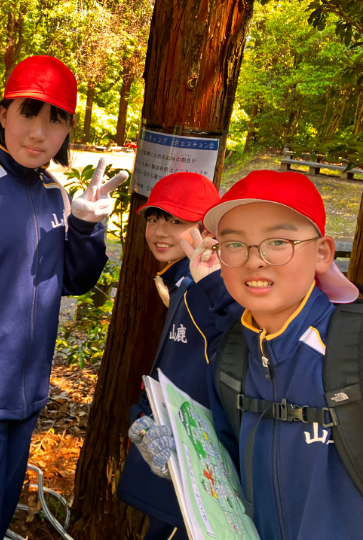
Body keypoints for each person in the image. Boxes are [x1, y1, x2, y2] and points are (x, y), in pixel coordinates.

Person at [135, 170, 363, 540]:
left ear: (322, 253)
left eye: (278, 241)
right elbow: (231, 477)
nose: (255, 260)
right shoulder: (233, 356)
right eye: (234, 244)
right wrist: (186, 462)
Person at [0, 55, 126, 539]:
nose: (39, 132)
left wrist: (86, 225)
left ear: (68, 129)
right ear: (3, 113)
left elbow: (73, 281)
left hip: (24, 402)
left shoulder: (53, 193)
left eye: (55, 119)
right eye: (28, 112)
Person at [117, 172, 223, 539]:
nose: (160, 232)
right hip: (169, 448)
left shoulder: (205, 290)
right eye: (154, 218)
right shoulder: (179, 280)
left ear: (208, 231)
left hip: (197, 464)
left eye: (177, 221)